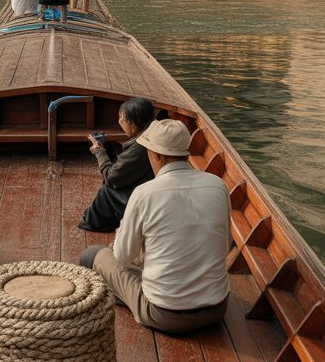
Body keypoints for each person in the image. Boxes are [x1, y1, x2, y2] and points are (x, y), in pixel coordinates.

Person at [80, 119, 230, 333]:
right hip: (216, 309)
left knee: (92, 255)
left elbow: (122, 257)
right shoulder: (218, 185)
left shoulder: (144, 193)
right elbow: (225, 245)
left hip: (164, 313)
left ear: (156, 155)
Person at [78, 96, 155, 231]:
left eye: (122, 119)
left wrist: (99, 151)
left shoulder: (139, 148)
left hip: (146, 199)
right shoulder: (153, 132)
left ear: (132, 124)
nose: (119, 122)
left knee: (106, 191)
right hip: (151, 186)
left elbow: (110, 178)